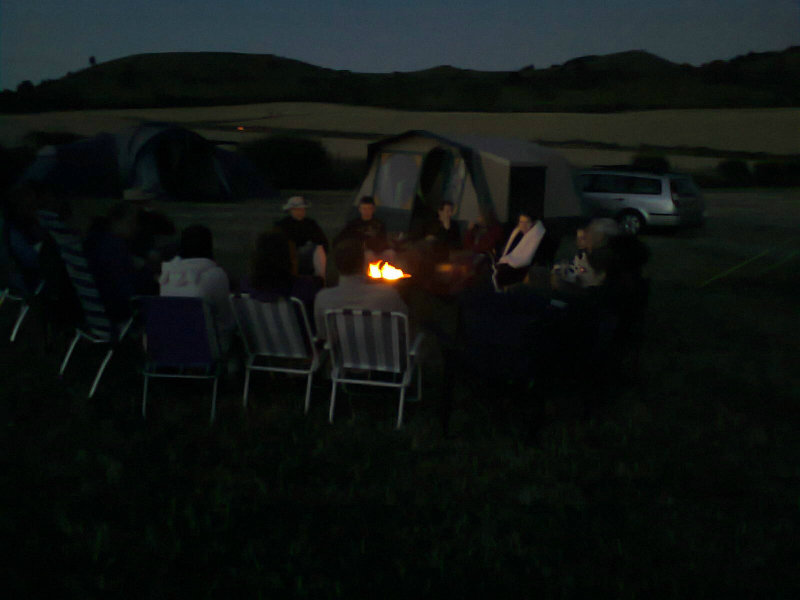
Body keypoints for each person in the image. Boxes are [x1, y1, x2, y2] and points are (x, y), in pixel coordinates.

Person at [314, 239, 408, 340]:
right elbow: (403, 325)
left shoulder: (323, 298)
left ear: (336, 266)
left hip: (343, 355)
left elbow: (324, 334)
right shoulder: (388, 294)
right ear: (364, 265)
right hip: (385, 354)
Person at [159, 224, 233, 347]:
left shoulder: (167, 275)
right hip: (206, 346)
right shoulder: (216, 275)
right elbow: (225, 316)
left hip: (171, 346)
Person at [84, 202, 158, 321]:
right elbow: (125, 289)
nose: (135, 227)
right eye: (131, 222)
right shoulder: (115, 248)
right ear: (118, 221)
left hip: (96, 306)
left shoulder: (95, 241)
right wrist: (147, 272)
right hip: (117, 309)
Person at [239, 229, 323, 328]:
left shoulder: (247, 286)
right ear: (287, 259)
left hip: (261, 342)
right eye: (294, 255)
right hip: (301, 341)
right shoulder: (304, 288)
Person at [274, 196, 328, 278]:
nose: (300, 212)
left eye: (302, 209)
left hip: (309, 257)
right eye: (296, 210)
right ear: (290, 211)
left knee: (318, 250)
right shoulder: (282, 225)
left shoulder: (310, 224)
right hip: (288, 256)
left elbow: (322, 242)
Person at [494, 212, 546, 288]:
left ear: (533, 223)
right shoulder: (516, 234)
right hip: (504, 263)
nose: (523, 225)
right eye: (521, 222)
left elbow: (526, 258)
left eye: (526, 222)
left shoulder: (535, 238)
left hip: (520, 268)